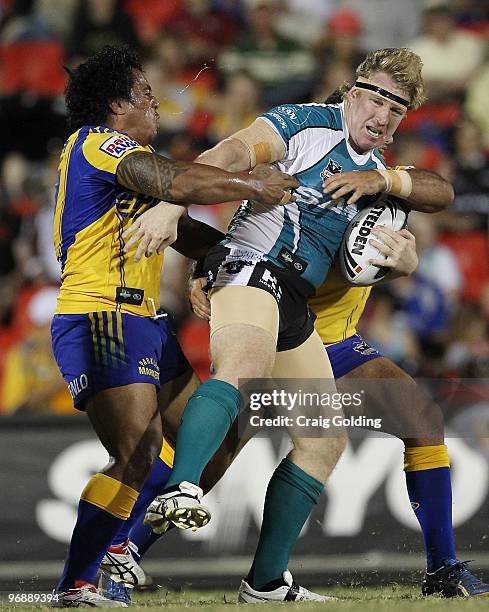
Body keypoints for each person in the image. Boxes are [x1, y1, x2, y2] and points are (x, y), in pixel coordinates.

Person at [128, 48, 454, 602]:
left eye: (395, 110)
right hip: (253, 271)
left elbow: (427, 200)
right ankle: (177, 492)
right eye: (374, 100)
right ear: (350, 95)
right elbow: (231, 151)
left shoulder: (375, 182)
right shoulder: (303, 124)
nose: (381, 115)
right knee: (240, 378)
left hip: (297, 309)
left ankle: (265, 581)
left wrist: (400, 264)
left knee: (324, 442)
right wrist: (173, 202)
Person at [99, 224, 489, 604]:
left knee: (422, 421)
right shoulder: (299, 167)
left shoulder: (375, 178)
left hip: (336, 343)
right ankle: (120, 554)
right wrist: (202, 268)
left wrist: (395, 213)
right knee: (216, 451)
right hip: (279, 335)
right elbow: (243, 225)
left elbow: (434, 190)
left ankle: (442, 569)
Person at [50, 45, 297, 607]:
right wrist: (252, 186)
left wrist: (224, 263)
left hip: (146, 323)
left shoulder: (132, 172)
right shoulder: (99, 143)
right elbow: (180, 186)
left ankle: (123, 551)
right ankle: (75, 585)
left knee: (218, 437)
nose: (155, 101)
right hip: (100, 313)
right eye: (142, 93)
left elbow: (187, 231)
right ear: (115, 105)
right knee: (138, 449)